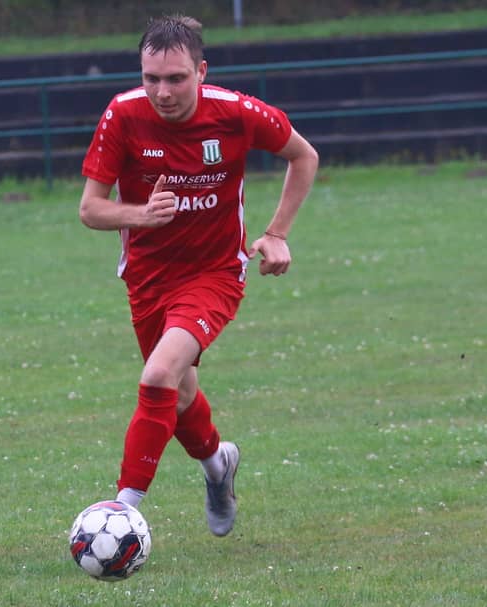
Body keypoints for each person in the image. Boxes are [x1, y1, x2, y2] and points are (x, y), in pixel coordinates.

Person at [78, 14, 318, 537]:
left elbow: (303, 156)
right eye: (151, 78)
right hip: (147, 278)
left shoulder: (236, 113)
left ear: (201, 72)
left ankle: (121, 512)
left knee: (158, 376)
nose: (162, 92)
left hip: (214, 273)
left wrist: (276, 233)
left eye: (176, 79)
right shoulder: (122, 115)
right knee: (180, 394)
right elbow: (90, 209)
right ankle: (217, 465)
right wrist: (140, 215)